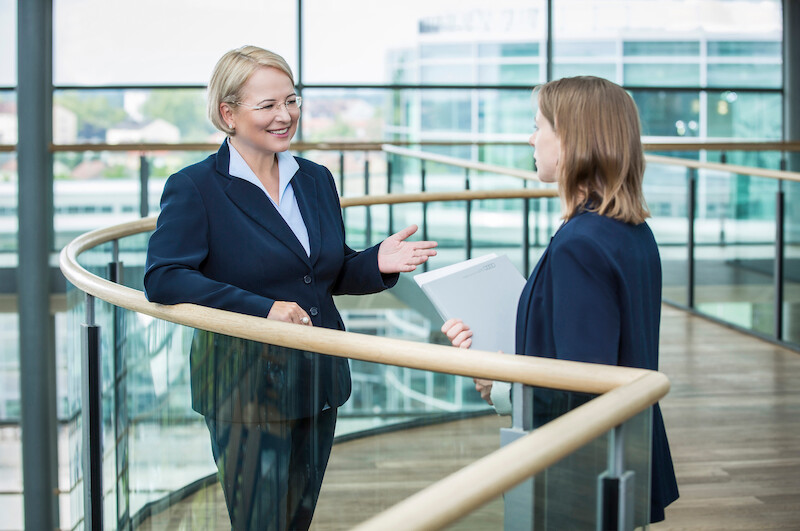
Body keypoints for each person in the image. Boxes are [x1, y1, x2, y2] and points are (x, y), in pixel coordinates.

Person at [143, 45, 437, 531]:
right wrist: (262, 310)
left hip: (317, 380)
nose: (286, 116)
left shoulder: (315, 180)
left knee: (296, 522)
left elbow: (325, 273)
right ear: (228, 113)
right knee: (260, 524)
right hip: (246, 388)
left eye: (292, 100)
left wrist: (375, 262)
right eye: (268, 105)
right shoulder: (195, 187)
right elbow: (163, 276)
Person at [441, 76, 679, 523]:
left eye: (538, 126)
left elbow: (582, 387)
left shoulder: (580, 243)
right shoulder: (629, 230)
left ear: (569, 140)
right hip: (625, 453)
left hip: (582, 470)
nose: (531, 138)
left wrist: (504, 386)